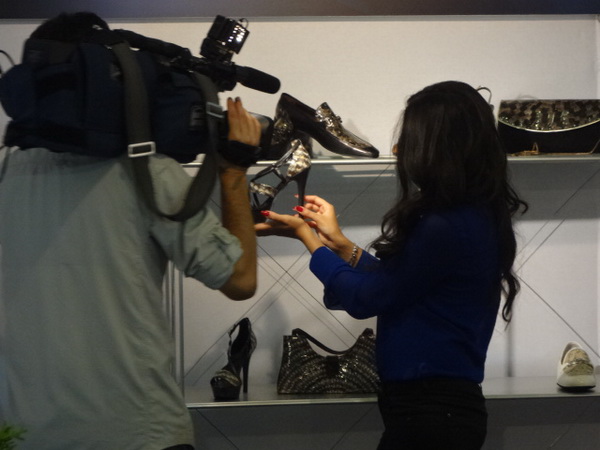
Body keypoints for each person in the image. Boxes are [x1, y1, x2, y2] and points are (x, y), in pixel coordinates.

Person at [0, 12, 260, 450]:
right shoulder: (148, 172)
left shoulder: (7, 173)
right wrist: (234, 169)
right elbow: (240, 279)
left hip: (25, 433)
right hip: (138, 431)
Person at [255, 81, 528, 450]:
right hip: (443, 413)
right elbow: (401, 286)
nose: (404, 148)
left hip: (431, 415)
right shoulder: (474, 217)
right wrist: (342, 246)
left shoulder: (442, 225)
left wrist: (310, 240)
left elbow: (368, 298)